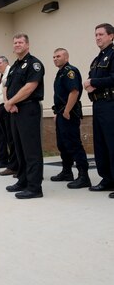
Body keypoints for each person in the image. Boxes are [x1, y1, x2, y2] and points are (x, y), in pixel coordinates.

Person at [4, 33, 44, 199]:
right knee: (19, 149)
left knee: (31, 150)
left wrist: (11, 102)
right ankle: (23, 180)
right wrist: (9, 103)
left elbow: (30, 87)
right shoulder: (14, 66)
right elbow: (6, 86)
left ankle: (35, 188)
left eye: (20, 42)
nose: (17, 45)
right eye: (15, 42)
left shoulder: (34, 64)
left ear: (27, 45)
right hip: (15, 111)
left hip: (28, 110)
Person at [51, 48, 91, 189]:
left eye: (58, 56)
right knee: (62, 144)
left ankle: (83, 176)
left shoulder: (70, 71)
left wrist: (67, 111)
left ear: (66, 58)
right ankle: (67, 172)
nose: (55, 58)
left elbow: (74, 91)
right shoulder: (60, 73)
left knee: (73, 144)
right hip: (61, 113)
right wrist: (58, 113)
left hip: (69, 113)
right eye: (54, 56)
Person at [83, 23, 114, 198]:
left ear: (111, 36)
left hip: (110, 104)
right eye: (95, 35)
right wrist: (89, 84)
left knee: (112, 143)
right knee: (100, 144)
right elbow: (90, 79)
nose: (97, 37)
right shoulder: (97, 60)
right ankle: (107, 179)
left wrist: (93, 83)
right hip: (98, 105)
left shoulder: (113, 55)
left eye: (101, 34)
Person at [0, 55, 19, 175]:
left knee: (12, 138)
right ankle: (13, 163)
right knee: (8, 138)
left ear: (6, 62)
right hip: (1, 108)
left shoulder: (10, 71)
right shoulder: (2, 75)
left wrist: (8, 104)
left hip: (7, 108)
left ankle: (14, 165)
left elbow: (9, 90)